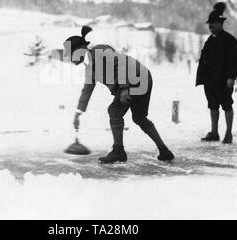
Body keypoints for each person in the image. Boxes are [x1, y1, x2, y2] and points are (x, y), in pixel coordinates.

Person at [64, 26, 174, 164]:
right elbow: (86, 91)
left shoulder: (100, 51)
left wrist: (123, 89)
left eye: (70, 54)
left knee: (114, 111)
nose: (70, 59)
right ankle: (164, 150)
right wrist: (78, 112)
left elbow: (122, 64)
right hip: (142, 77)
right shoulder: (89, 69)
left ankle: (119, 152)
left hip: (136, 77)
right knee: (139, 117)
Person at [196, 2, 237, 144]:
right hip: (210, 81)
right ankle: (214, 132)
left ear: (221, 23)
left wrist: (231, 77)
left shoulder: (230, 40)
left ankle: (228, 133)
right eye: (210, 23)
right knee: (213, 106)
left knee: (227, 105)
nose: (211, 26)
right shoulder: (210, 40)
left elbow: (235, 61)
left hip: (223, 80)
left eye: (214, 23)